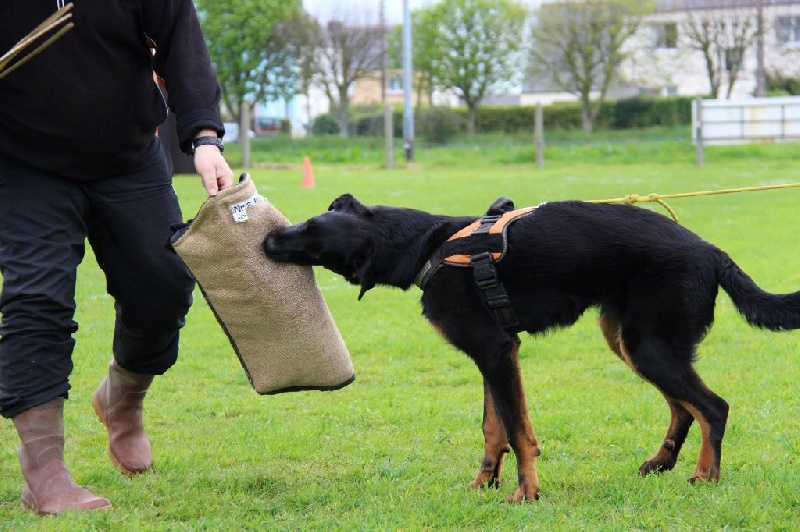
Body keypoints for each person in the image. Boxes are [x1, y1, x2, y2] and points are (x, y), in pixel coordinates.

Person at [0, 1, 234, 515]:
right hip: (21, 164)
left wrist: (204, 135)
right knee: (36, 300)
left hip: (129, 156)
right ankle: (44, 474)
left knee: (164, 286)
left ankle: (122, 399)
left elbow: (181, 41)